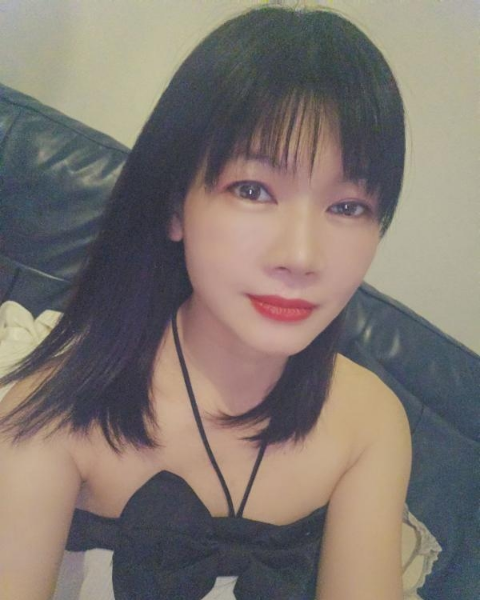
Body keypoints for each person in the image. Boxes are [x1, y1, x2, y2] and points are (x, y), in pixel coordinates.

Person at [0, 5, 411, 600]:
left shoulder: (369, 422)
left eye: (348, 207)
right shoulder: (53, 418)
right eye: (253, 190)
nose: (302, 256)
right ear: (176, 207)